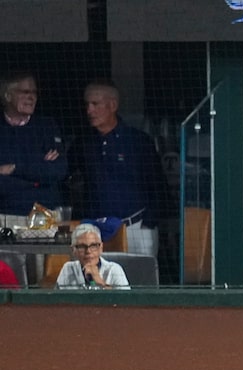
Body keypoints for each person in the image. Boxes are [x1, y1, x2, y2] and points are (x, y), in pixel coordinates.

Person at [76, 80, 168, 257]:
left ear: (112, 105)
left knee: (141, 283)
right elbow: (68, 174)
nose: (89, 111)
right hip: (96, 231)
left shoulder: (138, 141)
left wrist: (149, 222)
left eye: (95, 104)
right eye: (87, 105)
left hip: (136, 228)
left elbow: (157, 184)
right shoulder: (84, 143)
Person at [0, 72, 67, 223]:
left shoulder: (47, 126)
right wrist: (36, 178)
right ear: (8, 96)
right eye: (25, 92)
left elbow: (57, 171)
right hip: (4, 216)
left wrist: (13, 169)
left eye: (34, 92)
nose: (32, 97)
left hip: (44, 216)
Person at [56, 222, 129, 289]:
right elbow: (57, 300)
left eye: (93, 245)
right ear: (73, 250)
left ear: (101, 248)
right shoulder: (68, 268)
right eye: (82, 246)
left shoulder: (114, 269)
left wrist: (100, 281)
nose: (88, 251)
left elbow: (127, 301)